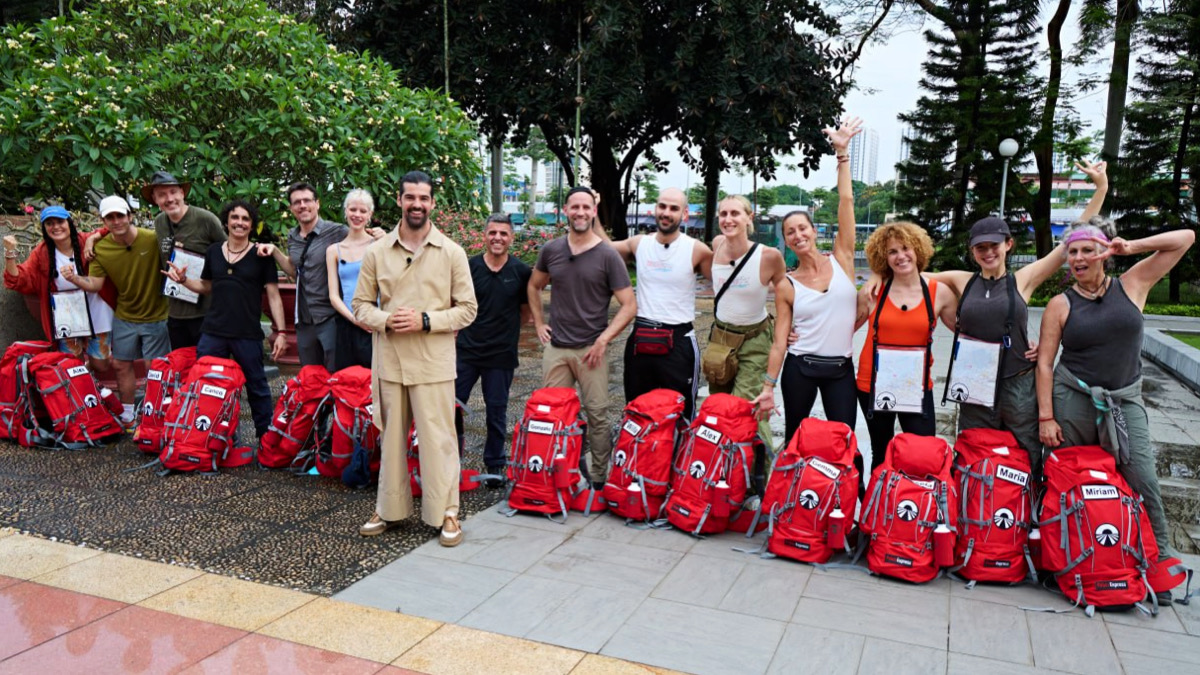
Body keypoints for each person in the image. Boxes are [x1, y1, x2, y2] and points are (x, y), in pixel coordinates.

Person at [1037, 217, 1194, 596]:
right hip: (1071, 399)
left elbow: (1185, 238)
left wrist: (1132, 246)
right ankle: (1064, 560)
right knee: (1066, 483)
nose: (1078, 258)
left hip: (1124, 401)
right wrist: (1046, 417)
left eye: (1087, 249)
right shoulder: (1060, 304)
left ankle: (1159, 565)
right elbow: (1044, 362)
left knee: (1143, 479)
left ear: (1104, 252)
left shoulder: (1133, 284)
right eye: (1072, 251)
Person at [922, 161, 1109, 479]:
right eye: (980, 248)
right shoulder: (960, 280)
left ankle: (1028, 508)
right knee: (972, 447)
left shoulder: (1022, 280)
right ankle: (974, 506)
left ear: (1008, 245)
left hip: (1018, 382)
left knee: (1026, 447)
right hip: (974, 380)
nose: (987, 252)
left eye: (993, 245)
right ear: (972, 251)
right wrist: (944, 311)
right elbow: (912, 276)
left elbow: (1068, 244)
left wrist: (1100, 188)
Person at [353, 171, 477, 546]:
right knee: (391, 438)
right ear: (399, 200)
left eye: (424, 198)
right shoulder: (377, 252)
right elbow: (360, 306)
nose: (417, 204)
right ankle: (388, 509)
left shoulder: (451, 252)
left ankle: (448, 513)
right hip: (390, 359)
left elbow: (468, 310)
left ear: (432, 203)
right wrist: (386, 320)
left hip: (434, 361)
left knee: (438, 440)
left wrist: (426, 320)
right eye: (411, 198)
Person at [754, 118, 864, 443]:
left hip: (840, 369)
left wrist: (842, 155)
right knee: (795, 439)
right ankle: (791, 491)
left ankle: (850, 492)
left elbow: (846, 202)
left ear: (814, 232)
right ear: (786, 241)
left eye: (803, 228)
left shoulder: (842, 259)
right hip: (799, 367)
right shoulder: (786, 285)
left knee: (845, 439)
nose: (798, 235)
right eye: (791, 232)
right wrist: (766, 387)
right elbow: (779, 342)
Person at [528, 186, 637, 487]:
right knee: (552, 415)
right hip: (557, 348)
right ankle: (554, 473)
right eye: (574, 207)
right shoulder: (551, 250)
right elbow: (534, 286)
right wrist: (539, 323)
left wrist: (603, 340)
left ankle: (600, 477)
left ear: (593, 211)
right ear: (565, 210)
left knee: (598, 416)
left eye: (586, 207)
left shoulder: (607, 255)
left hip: (592, 350)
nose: (580, 212)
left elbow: (629, 305)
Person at [163, 200, 287, 441]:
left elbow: (273, 296)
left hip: (247, 333)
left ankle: (266, 442)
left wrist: (280, 331)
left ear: (251, 226)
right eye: (235, 218)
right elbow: (207, 286)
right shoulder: (213, 251)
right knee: (205, 385)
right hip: (214, 332)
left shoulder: (261, 255)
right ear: (227, 222)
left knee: (258, 390)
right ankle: (207, 438)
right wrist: (184, 281)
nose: (239, 223)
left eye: (245, 219)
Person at [600, 187, 713, 420]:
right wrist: (592, 214)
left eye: (674, 208)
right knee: (637, 409)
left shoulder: (697, 250)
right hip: (641, 336)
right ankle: (640, 454)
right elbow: (605, 249)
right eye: (663, 206)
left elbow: (726, 284)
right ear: (655, 209)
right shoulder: (639, 243)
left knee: (682, 414)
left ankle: (680, 456)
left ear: (684, 214)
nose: (666, 212)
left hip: (679, 339)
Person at [855, 222, 957, 465]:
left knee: (921, 451)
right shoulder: (872, 293)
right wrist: (797, 336)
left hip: (916, 384)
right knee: (881, 453)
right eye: (892, 252)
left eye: (905, 248)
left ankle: (912, 500)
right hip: (874, 383)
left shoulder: (939, 292)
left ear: (918, 250)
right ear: (883, 257)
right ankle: (880, 501)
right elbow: (842, 329)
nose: (900, 256)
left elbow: (966, 333)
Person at [63, 196, 170, 424]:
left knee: (155, 369)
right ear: (104, 221)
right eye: (110, 217)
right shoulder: (101, 250)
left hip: (156, 314)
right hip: (125, 316)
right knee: (120, 365)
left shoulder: (152, 239)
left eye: (120, 215)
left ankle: (155, 415)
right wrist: (74, 278)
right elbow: (95, 284)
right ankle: (128, 414)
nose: (116, 221)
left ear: (129, 216)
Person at [455, 213, 532, 482]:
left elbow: (525, 312)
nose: (497, 238)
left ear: (511, 238)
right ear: (484, 236)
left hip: (501, 354)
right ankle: (451, 457)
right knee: (451, 405)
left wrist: (504, 333)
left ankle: (495, 463)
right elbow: (457, 306)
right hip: (467, 351)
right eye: (492, 233)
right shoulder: (468, 267)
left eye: (503, 233)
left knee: (496, 411)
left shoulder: (521, 272)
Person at [709, 195, 787, 446]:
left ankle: (758, 478)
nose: (728, 219)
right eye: (723, 214)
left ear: (749, 218)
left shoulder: (769, 256)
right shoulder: (717, 243)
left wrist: (790, 328)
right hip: (720, 340)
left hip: (755, 340)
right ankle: (722, 472)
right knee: (719, 409)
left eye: (735, 214)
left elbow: (786, 295)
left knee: (748, 411)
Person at [4, 205, 117, 374]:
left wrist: (93, 239)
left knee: (102, 364)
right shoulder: (41, 252)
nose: (56, 227)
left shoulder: (85, 240)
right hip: (67, 313)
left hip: (96, 309)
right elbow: (19, 279)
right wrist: (9, 254)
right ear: (44, 228)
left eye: (60, 221)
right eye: (49, 223)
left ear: (69, 223)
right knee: (71, 363)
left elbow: (114, 228)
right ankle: (82, 390)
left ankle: (86, 374)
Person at [259, 183, 347, 371]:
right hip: (305, 320)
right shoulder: (293, 236)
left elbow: (362, 246)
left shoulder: (338, 231)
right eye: (297, 202)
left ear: (317, 203)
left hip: (331, 317)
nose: (302, 205)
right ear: (291, 208)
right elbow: (294, 271)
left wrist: (378, 235)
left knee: (336, 372)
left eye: (307, 200)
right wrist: (275, 251)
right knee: (310, 374)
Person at [143, 171, 226, 350]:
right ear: (155, 199)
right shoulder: (160, 222)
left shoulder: (205, 219)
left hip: (207, 311)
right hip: (175, 312)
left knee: (209, 367)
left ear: (182, 193)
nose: (169, 199)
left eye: (173, 192)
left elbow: (229, 253)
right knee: (181, 366)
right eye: (162, 195)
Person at [325, 189, 377, 370]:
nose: (357, 215)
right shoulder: (333, 250)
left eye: (363, 211)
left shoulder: (378, 246)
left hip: (374, 322)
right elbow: (334, 296)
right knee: (346, 381)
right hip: (347, 323)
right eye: (353, 209)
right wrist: (354, 320)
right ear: (345, 211)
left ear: (370, 215)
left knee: (376, 382)